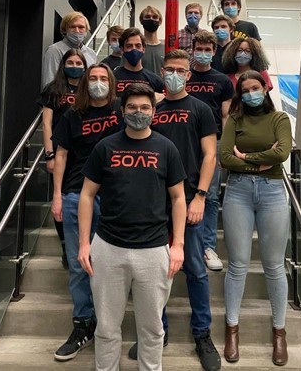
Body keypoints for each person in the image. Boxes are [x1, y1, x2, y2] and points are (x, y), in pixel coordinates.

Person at [78, 83, 187, 371]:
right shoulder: (105, 147)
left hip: (153, 251)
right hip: (109, 249)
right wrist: (84, 244)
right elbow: (87, 195)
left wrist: (178, 245)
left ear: (154, 111)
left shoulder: (167, 148)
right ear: (122, 111)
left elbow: (178, 199)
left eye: (144, 108)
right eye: (132, 107)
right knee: (106, 327)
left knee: (152, 330)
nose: (138, 112)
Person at [129, 49, 221, 371]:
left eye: (180, 70)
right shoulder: (153, 109)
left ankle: (202, 335)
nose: (174, 74)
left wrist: (200, 197)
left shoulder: (200, 109)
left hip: (189, 201)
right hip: (155, 204)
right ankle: (159, 331)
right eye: (169, 69)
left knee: (195, 270)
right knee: (154, 272)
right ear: (162, 71)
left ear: (189, 75)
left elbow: (210, 156)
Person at [51, 63, 123, 362]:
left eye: (102, 78)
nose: (97, 83)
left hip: (114, 197)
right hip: (74, 193)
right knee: (79, 264)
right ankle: (83, 324)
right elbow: (62, 154)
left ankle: (107, 324)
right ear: (84, 83)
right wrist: (56, 195)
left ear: (112, 82)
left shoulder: (122, 110)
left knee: (109, 264)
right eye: (92, 78)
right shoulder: (72, 115)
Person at [219, 70, 291, 366]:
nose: (250, 93)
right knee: (237, 265)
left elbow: (283, 153)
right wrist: (259, 162)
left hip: (273, 192)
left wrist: (246, 159)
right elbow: (225, 156)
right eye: (245, 90)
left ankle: (279, 332)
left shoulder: (280, 119)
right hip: (237, 192)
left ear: (265, 88)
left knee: (274, 265)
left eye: (255, 88)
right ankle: (232, 330)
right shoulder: (235, 120)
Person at [186, 31, 234, 271]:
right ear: (192, 50)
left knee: (211, 195)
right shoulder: (184, 76)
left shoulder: (223, 81)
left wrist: (224, 147)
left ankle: (207, 247)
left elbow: (225, 115)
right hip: (184, 139)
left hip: (212, 141)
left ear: (214, 52)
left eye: (208, 50)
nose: (203, 53)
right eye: (199, 49)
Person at [38, 48, 87, 268]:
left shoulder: (89, 89)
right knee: (60, 200)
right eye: (71, 62)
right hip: (59, 151)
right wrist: (49, 153)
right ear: (63, 64)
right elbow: (46, 123)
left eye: (79, 63)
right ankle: (66, 243)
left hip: (83, 153)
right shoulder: (53, 90)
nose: (75, 66)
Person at [42, 11, 97, 87]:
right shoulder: (54, 50)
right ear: (65, 29)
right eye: (72, 27)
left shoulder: (91, 54)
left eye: (81, 27)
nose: (77, 31)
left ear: (86, 30)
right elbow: (49, 82)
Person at [114, 27, 164, 95]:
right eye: (129, 46)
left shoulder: (155, 81)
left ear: (143, 49)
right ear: (122, 49)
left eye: (138, 46)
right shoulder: (112, 78)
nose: (134, 49)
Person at [140, 5, 165, 76]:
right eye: (147, 17)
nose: (151, 19)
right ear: (141, 21)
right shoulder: (136, 48)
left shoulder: (166, 49)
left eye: (155, 17)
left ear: (160, 21)